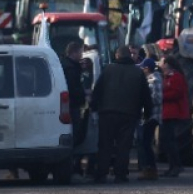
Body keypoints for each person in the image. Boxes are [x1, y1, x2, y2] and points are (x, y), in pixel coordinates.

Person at [91, 45, 152, 183]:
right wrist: (147, 113)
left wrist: (94, 108)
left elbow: (97, 90)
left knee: (105, 145)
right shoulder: (138, 73)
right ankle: (120, 175)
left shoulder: (108, 70)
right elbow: (145, 96)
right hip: (129, 114)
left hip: (107, 113)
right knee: (124, 146)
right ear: (129, 56)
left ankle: (101, 174)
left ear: (117, 56)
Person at [159, 56, 188, 177]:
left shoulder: (176, 77)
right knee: (167, 141)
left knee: (170, 140)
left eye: (162, 62)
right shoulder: (167, 77)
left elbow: (177, 93)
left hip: (172, 112)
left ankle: (176, 165)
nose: (160, 64)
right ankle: (172, 166)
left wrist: (161, 95)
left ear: (167, 64)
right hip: (167, 113)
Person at [61, 42, 88, 174]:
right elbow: (73, 88)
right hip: (73, 106)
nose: (82, 55)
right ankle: (71, 165)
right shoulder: (71, 69)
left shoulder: (66, 65)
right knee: (75, 134)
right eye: (80, 52)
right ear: (74, 52)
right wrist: (83, 95)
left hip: (70, 105)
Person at [137, 58, 162, 180]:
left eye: (142, 68)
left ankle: (151, 169)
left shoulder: (154, 80)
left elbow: (157, 98)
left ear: (147, 69)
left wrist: (144, 100)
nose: (141, 70)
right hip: (148, 116)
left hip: (152, 116)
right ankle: (148, 168)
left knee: (146, 143)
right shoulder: (150, 79)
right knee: (144, 142)